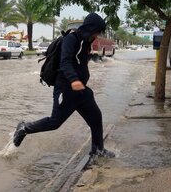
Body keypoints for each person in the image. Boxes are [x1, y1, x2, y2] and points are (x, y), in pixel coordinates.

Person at [13, 13, 115, 158]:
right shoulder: (71, 39)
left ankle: (97, 150)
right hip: (66, 89)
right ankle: (24, 128)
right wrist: (74, 80)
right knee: (55, 122)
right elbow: (65, 62)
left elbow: (79, 62)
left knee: (96, 117)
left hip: (81, 91)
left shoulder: (85, 41)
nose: (97, 35)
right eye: (97, 32)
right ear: (90, 28)